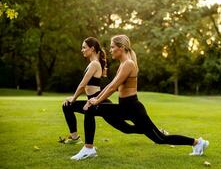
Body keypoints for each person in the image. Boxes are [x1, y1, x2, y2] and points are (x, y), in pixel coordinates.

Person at [70, 35, 209, 160]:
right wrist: (95, 100)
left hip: (133, 108)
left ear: (121, 48)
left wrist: (97, 100)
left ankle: (197, 142)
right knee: (91, 109)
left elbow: (113, 88)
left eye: (112, 47)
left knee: (161, 139)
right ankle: (89, 149)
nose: (110, 50)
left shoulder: (129, 64)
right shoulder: (123, 64)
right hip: (125, 107)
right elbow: (110, 85)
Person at [61, 37, 110, 146]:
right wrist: (72, 99)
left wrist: (73, 99)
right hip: (92, 100)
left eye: (84, 47)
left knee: (123, 126)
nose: (82, 50)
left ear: (92, 49)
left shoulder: (94, 64)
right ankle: (75, 138)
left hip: (99, 101)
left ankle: (150, 130)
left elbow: (82, 85)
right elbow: (88, 87)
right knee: (67, 106)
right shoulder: (92, 63)